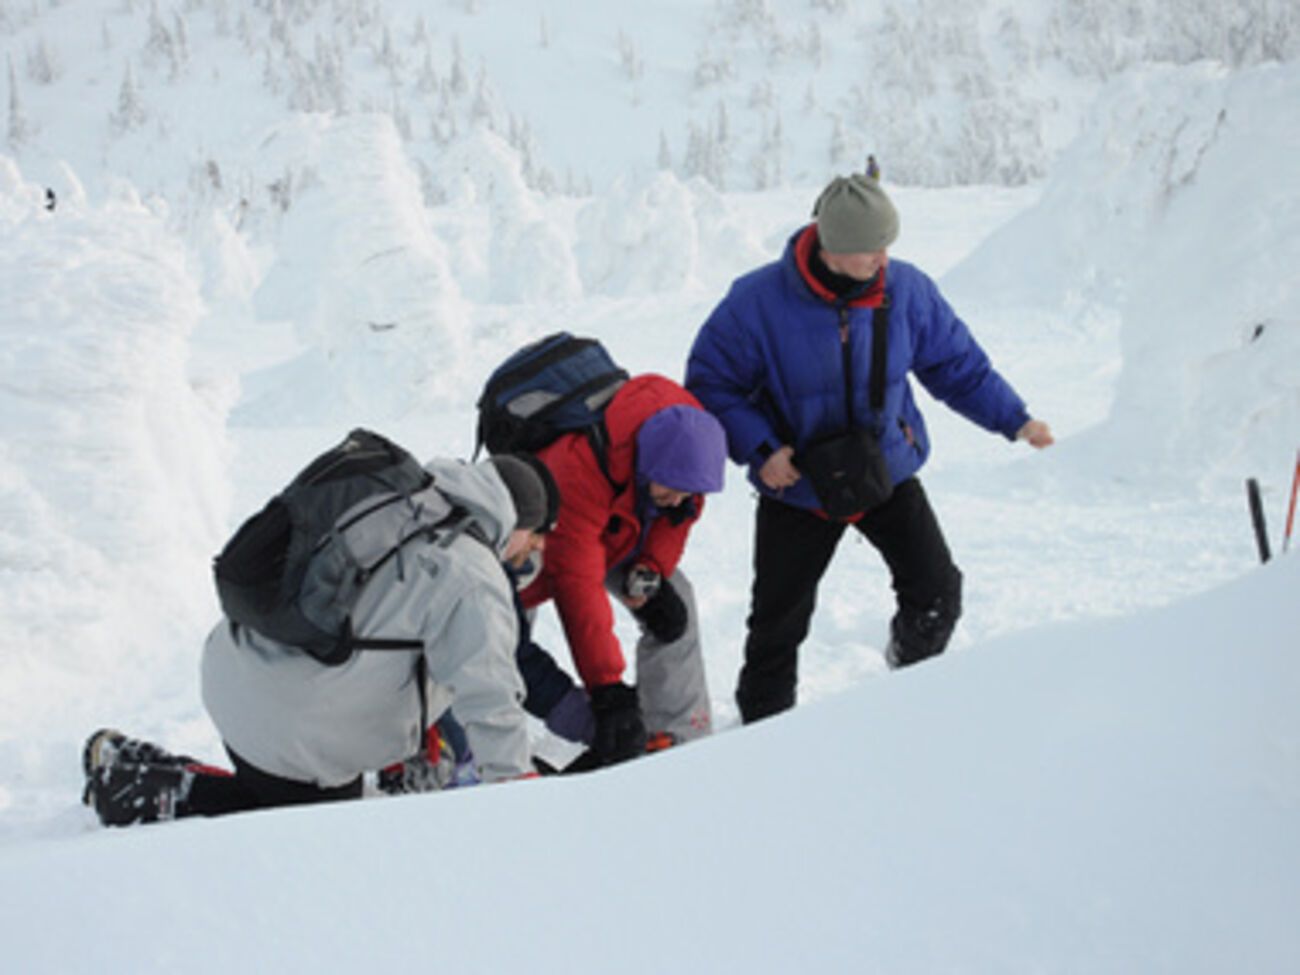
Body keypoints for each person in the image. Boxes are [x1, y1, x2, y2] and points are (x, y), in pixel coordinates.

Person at [686, 173, 1054, 723]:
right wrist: (763, 450)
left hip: (886, 468)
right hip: (799, 485)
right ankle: (761, 734)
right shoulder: (756, 303)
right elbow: (711, 383)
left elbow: (957, 367)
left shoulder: (907, 290)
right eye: (868, 249)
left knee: (936, 592)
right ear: (830, 246)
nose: (881, 259)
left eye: (887, 246)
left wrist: (1015, 419)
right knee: (776, 625)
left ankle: (907, 687)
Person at [82, 453, 564, 826]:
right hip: (288, 727)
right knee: (312, 827)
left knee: (312, 788)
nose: (536, 550)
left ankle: (139, 762)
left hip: (238, 664)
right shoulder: (472, 575)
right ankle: (143, 788)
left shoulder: (404, 500)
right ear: (516, 523)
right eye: (537, 537)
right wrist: (518, 796)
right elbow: (491, 693)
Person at [520, 375, 728, 767]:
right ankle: (481, 735)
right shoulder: (579, 464)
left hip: (617, 528)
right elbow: (577, 585)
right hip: (543, 533)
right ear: (648, 465)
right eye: (669, 489)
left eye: (687, 492)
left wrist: (651, 570)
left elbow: (676, 518)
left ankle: (677, 735)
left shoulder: (691, 449)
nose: (678, 499)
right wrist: (606, 688)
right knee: (503, 613)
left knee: (674, 602)